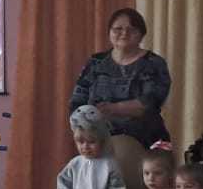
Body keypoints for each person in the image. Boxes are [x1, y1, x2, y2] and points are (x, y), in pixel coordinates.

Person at [69, 8, 171, 149]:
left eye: (132, 30)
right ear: (109, 33)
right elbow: (77, 101)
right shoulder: (96, 62)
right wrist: (83, 127)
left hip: (146, 141)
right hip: (97, 141)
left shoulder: (154, 63)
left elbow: (150, 103)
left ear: (142, 35)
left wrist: (116, 109)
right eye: (118, 29)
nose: (124, 34)